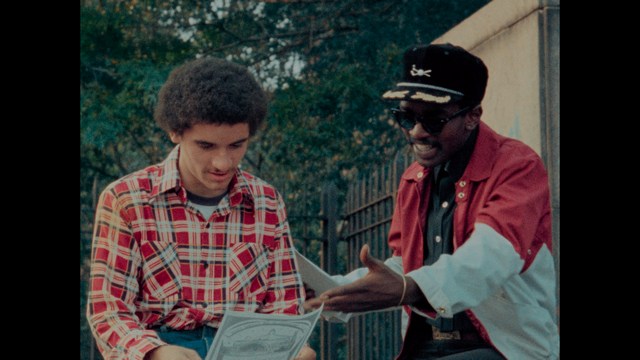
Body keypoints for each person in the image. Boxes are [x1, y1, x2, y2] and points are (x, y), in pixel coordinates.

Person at [305, 43, 559, 359]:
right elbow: (405, 265)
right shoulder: (414, 178)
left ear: (473, 116)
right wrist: (332, 289)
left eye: (434, 119)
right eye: (406, 117)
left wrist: (406, 289)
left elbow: (491, 258)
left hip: (502, 348)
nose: (417, 132)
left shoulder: (517, 165)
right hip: (425, 346)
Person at [86, 57, 316, 360]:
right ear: (175, 133)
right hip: (164, 344)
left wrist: (290, 348)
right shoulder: (127, 199)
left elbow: (284, 306)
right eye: (206, 146)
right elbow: (109, 310)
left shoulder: (267, 201)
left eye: (236, 145)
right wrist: (155, 352)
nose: (223, 163)